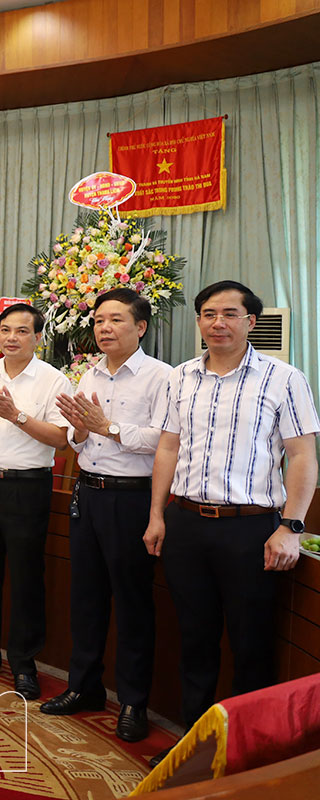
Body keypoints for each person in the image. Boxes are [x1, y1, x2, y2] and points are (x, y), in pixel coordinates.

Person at [144, 280, 318, 766]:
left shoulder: (284, 378)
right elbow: (168, 448)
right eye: (208, 314)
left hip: (252, 529)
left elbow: (302, 455)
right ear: (198, 321)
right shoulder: (180, 378)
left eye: (229, 314)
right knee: (194, 639)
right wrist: (157, 515)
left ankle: (244, 752)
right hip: (186, 524)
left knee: (250, 642)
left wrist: (292, 526)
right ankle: (193, 748)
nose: (217, 322)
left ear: (250, 322)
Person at [40, 288, 171, 742]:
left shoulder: (162, 377)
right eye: (98, 321)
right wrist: (79, 430)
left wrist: (107, 427)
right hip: (88, 495)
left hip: (132, 499)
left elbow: (164, 440)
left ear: (141, 326)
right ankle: (84, 687)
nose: (104, 328)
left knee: (133, 604)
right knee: (87, 598)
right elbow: (79, 441)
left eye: (115, 320)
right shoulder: (90, 374)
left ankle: (134, 701)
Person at [0, 303, 70, 700]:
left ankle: (23, 664)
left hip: (27, 487)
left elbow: (61, 439)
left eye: (22, 331)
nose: (11, 338)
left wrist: (16, 415)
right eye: (5, 330)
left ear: (38, 337)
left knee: (25, 578)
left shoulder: (54, 381)